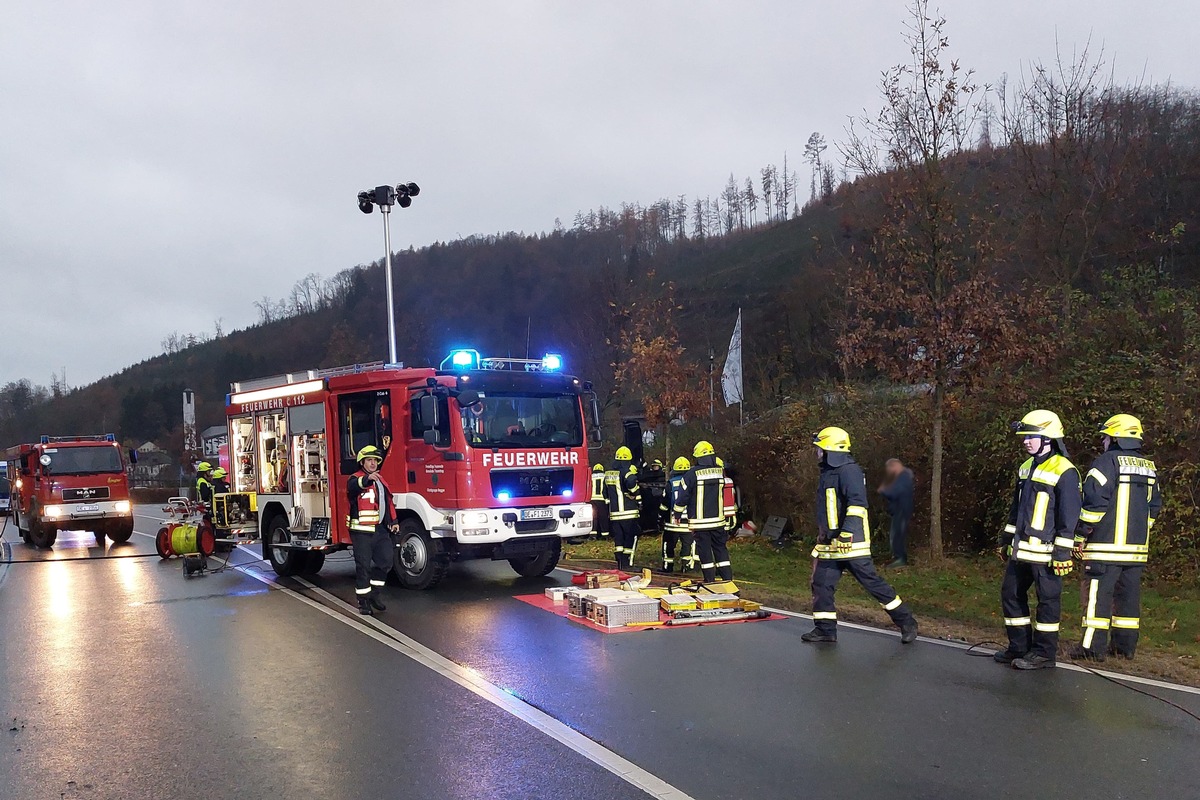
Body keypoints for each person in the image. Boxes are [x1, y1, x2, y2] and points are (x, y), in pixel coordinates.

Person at [803, 427, 918, 644]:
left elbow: (857, 504)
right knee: (821, 584)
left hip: (851, 542)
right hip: (830, 543)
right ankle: (825, 629)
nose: (817, 453)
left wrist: (847, 533)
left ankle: (907, 621)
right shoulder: (828, 472)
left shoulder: (849, 471)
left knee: (872, 583)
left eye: (820, 449)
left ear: (831, 450)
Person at [1069, 414, 1161, 662]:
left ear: (1115, 437)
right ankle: (1124, 648)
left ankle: (1091, 648)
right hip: (1136, 551)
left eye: (1106, 437)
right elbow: (1153, 508)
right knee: (1128, 601)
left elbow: (1094, 504)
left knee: (1097, 599)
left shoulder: (1105, 463)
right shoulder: (1149, 466)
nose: (1103, 442)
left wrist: (1080, 533)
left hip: (1103, 548)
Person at [995, 409, 1081, 670]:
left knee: (1048, 603)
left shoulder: (1065, 470)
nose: (1025, 441)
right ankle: (1019, 647)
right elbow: (1016, 510)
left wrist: (1063, 553)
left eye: (1030, 436)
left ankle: (1044, 653)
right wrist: (1005, 539)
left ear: (1048, 438)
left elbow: (1069, 517)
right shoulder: (1024, 468)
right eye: (1024, 437)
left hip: (1047, 554)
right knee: (1010, 594)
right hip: (1021, 551)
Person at [347, 445, 399, 615]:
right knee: (363, 567)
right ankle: (363, 602)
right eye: (369, 460)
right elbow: (356, 486)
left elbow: (387, 502)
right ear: (362, 462)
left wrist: (393, 521)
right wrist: (368, 479)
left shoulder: (380, 480)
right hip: (362, 532)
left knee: (386, 562)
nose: (373, 463)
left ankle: (375, 595)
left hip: (380, 530)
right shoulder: (355, 479)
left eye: (375, 460)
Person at [675, 441, 731, 582]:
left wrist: (677, 514)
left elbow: (683, 496)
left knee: (705, 552)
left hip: (700, 523)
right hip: (718, 521)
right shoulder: (720, 472)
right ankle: (727, 580)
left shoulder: (691, 474)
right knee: (721, 550)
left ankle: (710, 581)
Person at [604, 446, 641, 569]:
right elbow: (631, 483)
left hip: (614, 513)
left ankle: (619, 561)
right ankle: (627, 563)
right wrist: (634, 493)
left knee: (619, 538)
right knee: (630, 536)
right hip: (628, 512)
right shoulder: (626, 472)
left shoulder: (608, 473)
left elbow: (605, 494)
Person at [878, 458, 914, 567]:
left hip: (902, 510)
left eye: (889, 468)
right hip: (899, 510)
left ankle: (900, 559)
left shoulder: (903, 477)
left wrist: (884, 490)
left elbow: (895, 493)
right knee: (896, 534)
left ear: (895, 466)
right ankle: (898, 557)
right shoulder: (903, 476)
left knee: (897, 535)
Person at [660, 457, 691, 573]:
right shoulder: (692, 482)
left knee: (669, 545)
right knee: (687, 545)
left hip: (672, 522)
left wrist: (661, 517)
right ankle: (687, 567)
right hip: (688, 522)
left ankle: (668, 566)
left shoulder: (670, 484)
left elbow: (665, 503)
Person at [590, 463, 610, 538]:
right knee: (603, 517)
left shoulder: (590, 476)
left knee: (593, 517)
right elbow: (607, 489)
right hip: (602, 500)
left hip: (592, 500)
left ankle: (593, 535)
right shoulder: (605, 477)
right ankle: (605, 535)